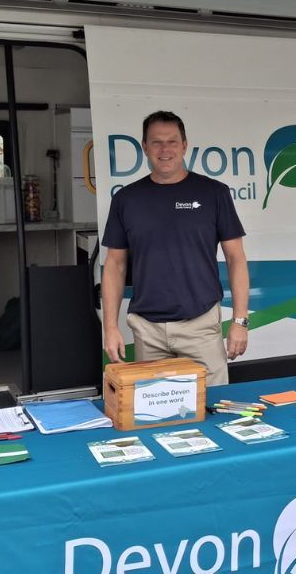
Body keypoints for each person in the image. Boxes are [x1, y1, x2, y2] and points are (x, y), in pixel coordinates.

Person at [101, 111, 250, 386]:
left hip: (200, 325)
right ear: (144, 147)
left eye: (172, 141)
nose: (165, 149)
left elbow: (236, 258)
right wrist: (110, 328)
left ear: (184, 145)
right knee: (156, 415)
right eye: (156, 142)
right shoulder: (126, 199)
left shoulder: (213, 193)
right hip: (148, 330)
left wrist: (240, 322)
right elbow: (115, 265)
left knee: (213, 409)